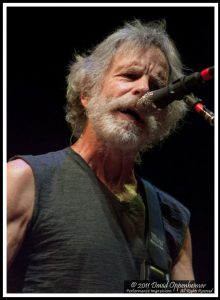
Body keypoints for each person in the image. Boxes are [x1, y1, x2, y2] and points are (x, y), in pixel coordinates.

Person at [7, 19, 195, 293]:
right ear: (87, 92)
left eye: (156, 85)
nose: (144, 89)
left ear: (162, 116)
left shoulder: (174, 219)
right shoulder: (22, 180)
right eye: (130, 76)